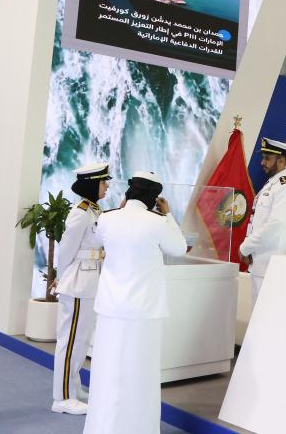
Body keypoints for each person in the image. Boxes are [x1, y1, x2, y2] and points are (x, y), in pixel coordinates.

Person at [84, 171, 186, 434]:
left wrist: (121, 210)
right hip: (143, 312)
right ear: (154, 198)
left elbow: (96, 240)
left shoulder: (108, 218)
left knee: (107, 373)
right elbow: (179, 248)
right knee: (140, 375)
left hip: (110, 309)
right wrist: (168, 215)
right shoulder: (158, 222)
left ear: (128, 192)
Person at [51, 163, 110, 416]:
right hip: (77, 282)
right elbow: (66, 249)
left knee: (81, 340)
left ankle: (73, 387)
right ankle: (62, 397)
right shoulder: (81, 212)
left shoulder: (94, 210)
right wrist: (61, 277)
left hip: (89, 281)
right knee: (70, 341)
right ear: (92, 184)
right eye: (103, 182)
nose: (107, 186)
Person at [238, 138, 286, 307]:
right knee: (257, 315)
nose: (262, 163)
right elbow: (257, 223)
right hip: (260, 265)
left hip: (272, 266)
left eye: (267, 158)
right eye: (263, 158)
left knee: (266, 316)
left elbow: (275, 226)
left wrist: (245, 247)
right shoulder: (272, 185)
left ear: (281, 160)